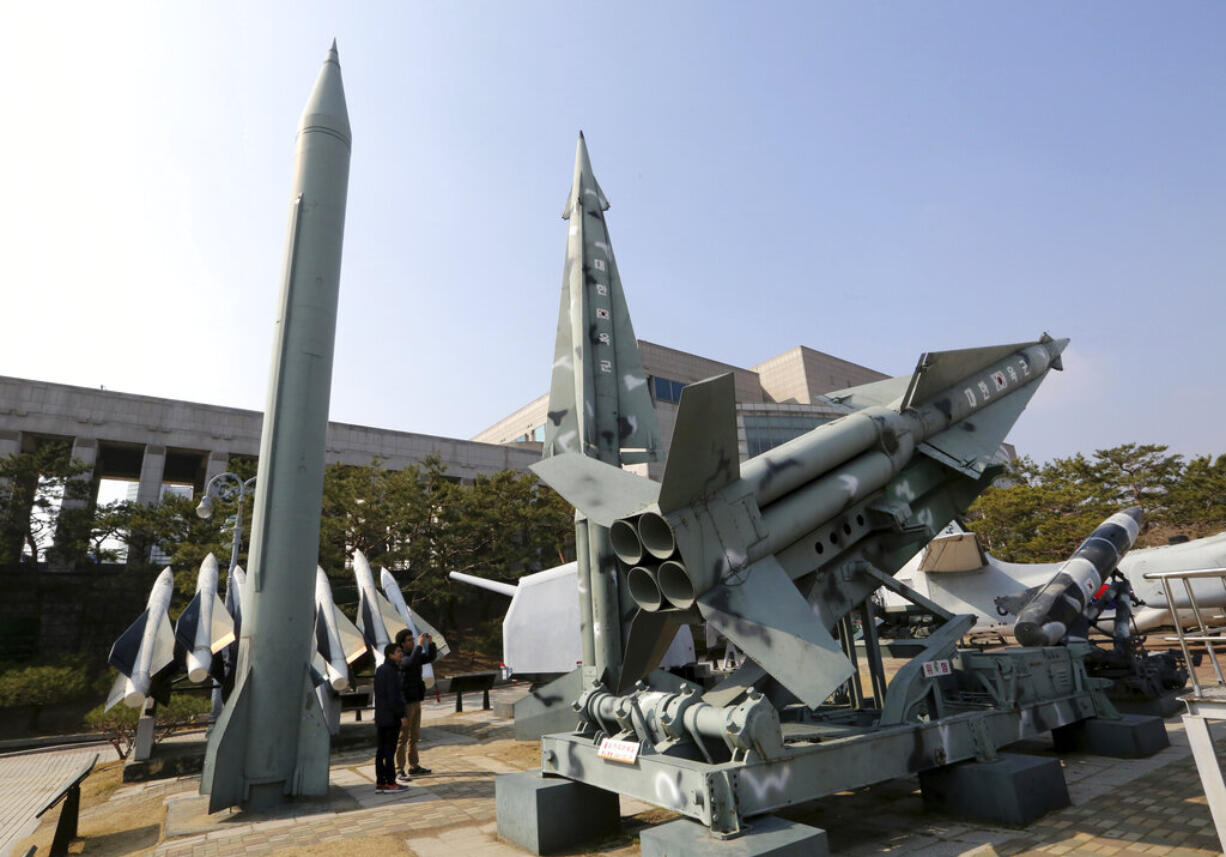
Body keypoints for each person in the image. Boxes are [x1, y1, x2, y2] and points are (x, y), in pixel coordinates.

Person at [394, 628, 438, 781]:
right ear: (401, 644)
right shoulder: (401, 658)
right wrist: (419, 646)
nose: (412, 642)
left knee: (414, 736)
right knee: (402, 737)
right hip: (406, 703)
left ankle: (414, 766)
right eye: (408, 640)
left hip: (416, 700)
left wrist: (430, 644)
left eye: (413, 639)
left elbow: (429, 657)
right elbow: (411, 663)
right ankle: (398, 769)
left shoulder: (415, 654)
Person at [373, 642, 407, 794]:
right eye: (398, 651)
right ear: (390, 655)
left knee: (381, 751)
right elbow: (394, 697)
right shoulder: (392, 672)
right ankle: (391, 782)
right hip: (391, 717)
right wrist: (401, 715)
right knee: (389, 751)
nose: (401, 654)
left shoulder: (380, 670)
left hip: (381, 716)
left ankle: (381, 782)